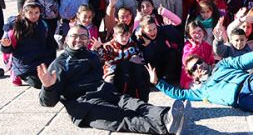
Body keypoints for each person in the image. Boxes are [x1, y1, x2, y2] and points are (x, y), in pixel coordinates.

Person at [37, 24, 184, 134]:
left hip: (106, 93)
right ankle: (166, 128)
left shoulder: (91, 55)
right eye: (74, 36)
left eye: (83, 36)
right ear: (66, 39)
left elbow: (107, 64)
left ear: (88, 39)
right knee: (124, 118)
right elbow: (47, 102)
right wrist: (48, 87)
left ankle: (166, 115)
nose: (79, 40)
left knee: (135, 104)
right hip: (85, 105)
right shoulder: (60, 64)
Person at [0, 0, 54, 87]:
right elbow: (6, 50)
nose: (34, 16)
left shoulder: (43, 25)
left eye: (36, 12)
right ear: (24, 12)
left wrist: (52, 62)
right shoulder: (15, 26)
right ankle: (15, 72)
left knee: (54, 80)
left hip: (41, 61)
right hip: (24, 65)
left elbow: (49, 45)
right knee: (38, 84)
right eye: (30, 13)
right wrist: (6, 46)